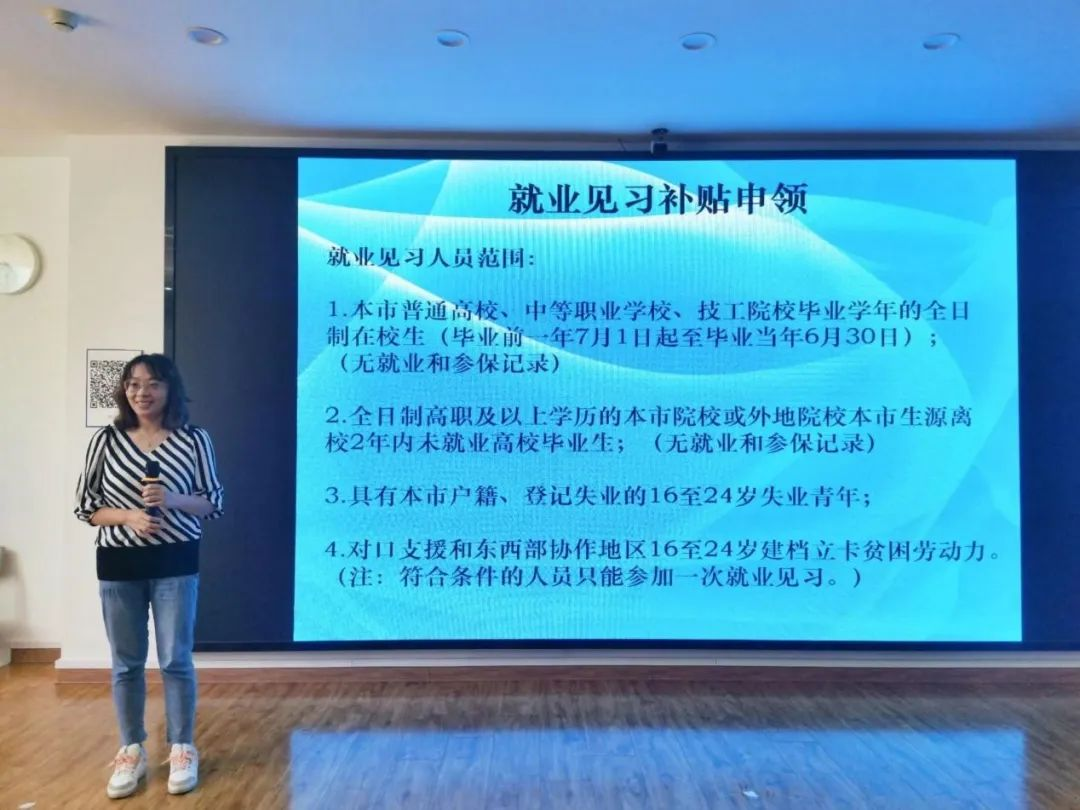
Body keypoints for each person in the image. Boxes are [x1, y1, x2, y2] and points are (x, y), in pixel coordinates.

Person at [74, 353, 223, 799]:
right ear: (124, 390)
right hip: (119, 564)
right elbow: (86, 506)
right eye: (134, 384)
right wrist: (129, 516)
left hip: (176, 561)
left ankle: (182, 747)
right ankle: (131, 749)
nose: (142, 392)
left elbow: (213, 502)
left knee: (175, 659)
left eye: (153, 383)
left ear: (170, 388)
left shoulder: (194, 439)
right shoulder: (106, 440)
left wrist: (172, 499)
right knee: (127, 663)